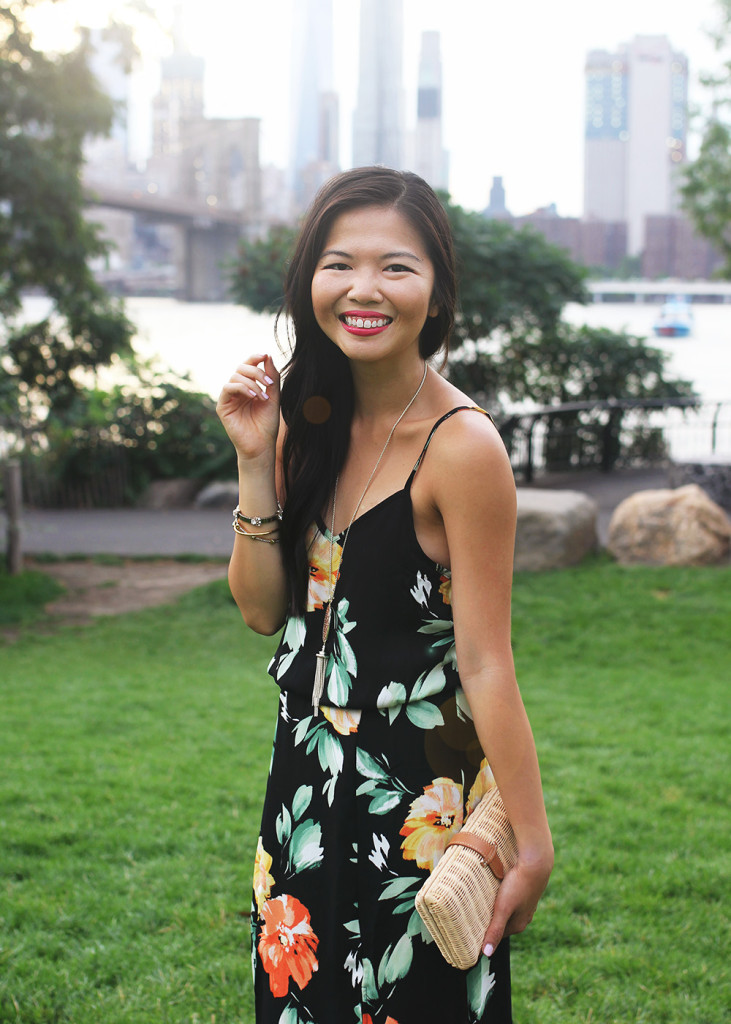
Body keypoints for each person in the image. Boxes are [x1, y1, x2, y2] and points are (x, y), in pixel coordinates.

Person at [216, 167, 553, 1024]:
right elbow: (264, 610)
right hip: (301, 780)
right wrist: (256, 460)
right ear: (309, 283)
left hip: (418, 800)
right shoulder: (305, 416)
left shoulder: (462, 446)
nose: (364, 289)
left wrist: (531, 837)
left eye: (396, 267)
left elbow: (484, 657)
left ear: (435, 295)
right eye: (340, 264)